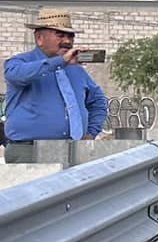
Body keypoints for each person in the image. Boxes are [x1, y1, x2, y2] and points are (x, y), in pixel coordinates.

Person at [3, 9, 108, 142]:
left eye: (70, 36)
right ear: (39, 38)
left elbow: (98, 101)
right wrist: (60, 61)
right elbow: (16, 75)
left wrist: (91, 132)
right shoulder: (20, 62)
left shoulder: (76, 69)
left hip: (71, 149)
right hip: (29, 150)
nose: (67, 41)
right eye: (60, 35)